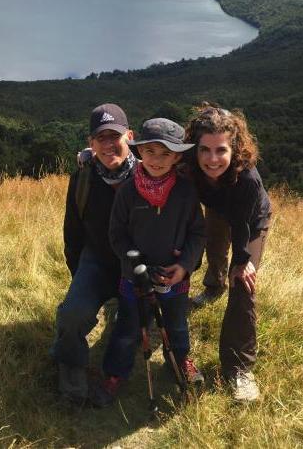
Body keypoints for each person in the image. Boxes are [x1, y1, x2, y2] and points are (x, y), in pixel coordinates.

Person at [92, 117, 206, 406]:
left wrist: (185, 266)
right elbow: (116, 234)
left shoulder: (186, 192)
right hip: (135, 277)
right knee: (129, 326)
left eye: (166, 153)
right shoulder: (129, 191)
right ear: (139, 151)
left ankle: (180, 361)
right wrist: (134, 267)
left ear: (177, 156)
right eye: (151, 151)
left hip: (174, 277)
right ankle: (116, 373)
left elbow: (197, 233)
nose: (157, 159)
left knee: (177, 324)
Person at [185, 105, 273, 404]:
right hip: (217, 207)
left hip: (250, 220)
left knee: (243, 284)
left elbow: (241, 229)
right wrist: (89, 156)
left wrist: (243, 261)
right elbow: (152, 155)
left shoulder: (247, 178)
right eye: (204, 150)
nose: (212, 159)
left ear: (234, 148)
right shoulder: (187, 162)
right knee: (213, 247)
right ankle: (213, 287)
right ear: (194, 148)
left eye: (220, 150)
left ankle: (239, 368)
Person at [53, 104, 137, 405]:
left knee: (135, 323)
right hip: (97, 261)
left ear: (130, 136)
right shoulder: (83, 178)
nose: (108, 143)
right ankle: (72, 380)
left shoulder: (150, 174)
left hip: (138, 267)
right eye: (100, 137)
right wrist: (80, 280)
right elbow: (72, 232)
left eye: (114, 135)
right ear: (91, 143)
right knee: (72, 314)